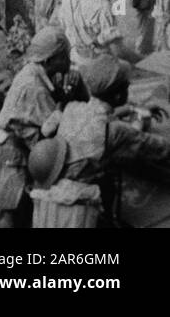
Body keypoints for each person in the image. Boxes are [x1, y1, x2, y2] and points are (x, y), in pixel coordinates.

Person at [0, 27, 78, 228]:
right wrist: (66, 103)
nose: (67, 62)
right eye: (64, 57)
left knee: (4, 216)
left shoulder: (33, 72)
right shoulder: (34, 87)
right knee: (8, 215)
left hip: (7, 152)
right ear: (49, 60)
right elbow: (53, 130)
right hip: (12, 157)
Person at [54, 54, 170, 223]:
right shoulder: (117, 131)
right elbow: (161, 148)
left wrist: (133, 108)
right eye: (126, 86)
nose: (129, 87)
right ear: (117, 96)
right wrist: (137, 122)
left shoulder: (73, 107)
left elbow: (101, 114)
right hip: (79, 201)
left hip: (54, 184)